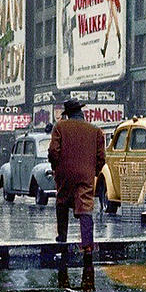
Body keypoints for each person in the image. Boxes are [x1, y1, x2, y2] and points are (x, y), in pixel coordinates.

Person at [48, 98, 106, 252]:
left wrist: (56, 168)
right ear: (81, 113)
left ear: (68, 114)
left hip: (64, 173)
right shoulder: (95, 131)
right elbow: (101, 157)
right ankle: (87, 245)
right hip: (86, 174)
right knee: (85, 206)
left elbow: (54, 151)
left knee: (62, 201)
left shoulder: (59, 127)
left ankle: (62, 238)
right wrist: (94, 171)